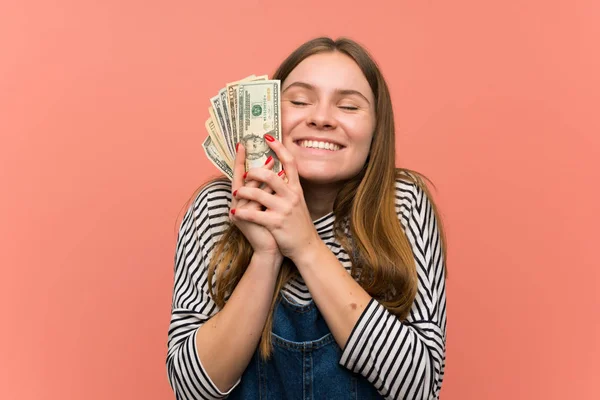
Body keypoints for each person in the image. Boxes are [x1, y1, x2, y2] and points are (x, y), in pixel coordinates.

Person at [166, 37, 448, 400]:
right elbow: (191, 390)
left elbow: (420, 388)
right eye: (299, 101)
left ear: (376, 131)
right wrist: (266, 257)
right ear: (268, 114)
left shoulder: (401, 205)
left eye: (348, 106)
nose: (320, 118)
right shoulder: (218, 207)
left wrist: (305, 246)